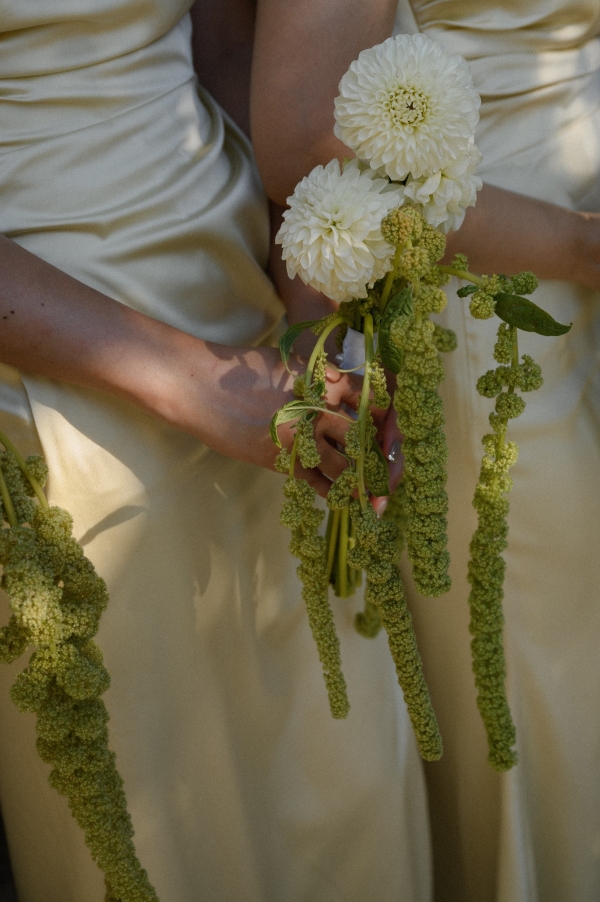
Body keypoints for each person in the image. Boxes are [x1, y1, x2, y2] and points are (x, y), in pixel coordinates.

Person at [0, 1, 430, 900]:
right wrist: (195, 383)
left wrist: (317, 312)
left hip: (233, 274)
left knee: (339, 773)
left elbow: (228, 39)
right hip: (38, 351)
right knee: (155, 807)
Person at [251, 1, 600, 901]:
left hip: (576, 241)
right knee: (530, 692)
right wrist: (582, 246)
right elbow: (299, 135)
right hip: (482, 281)